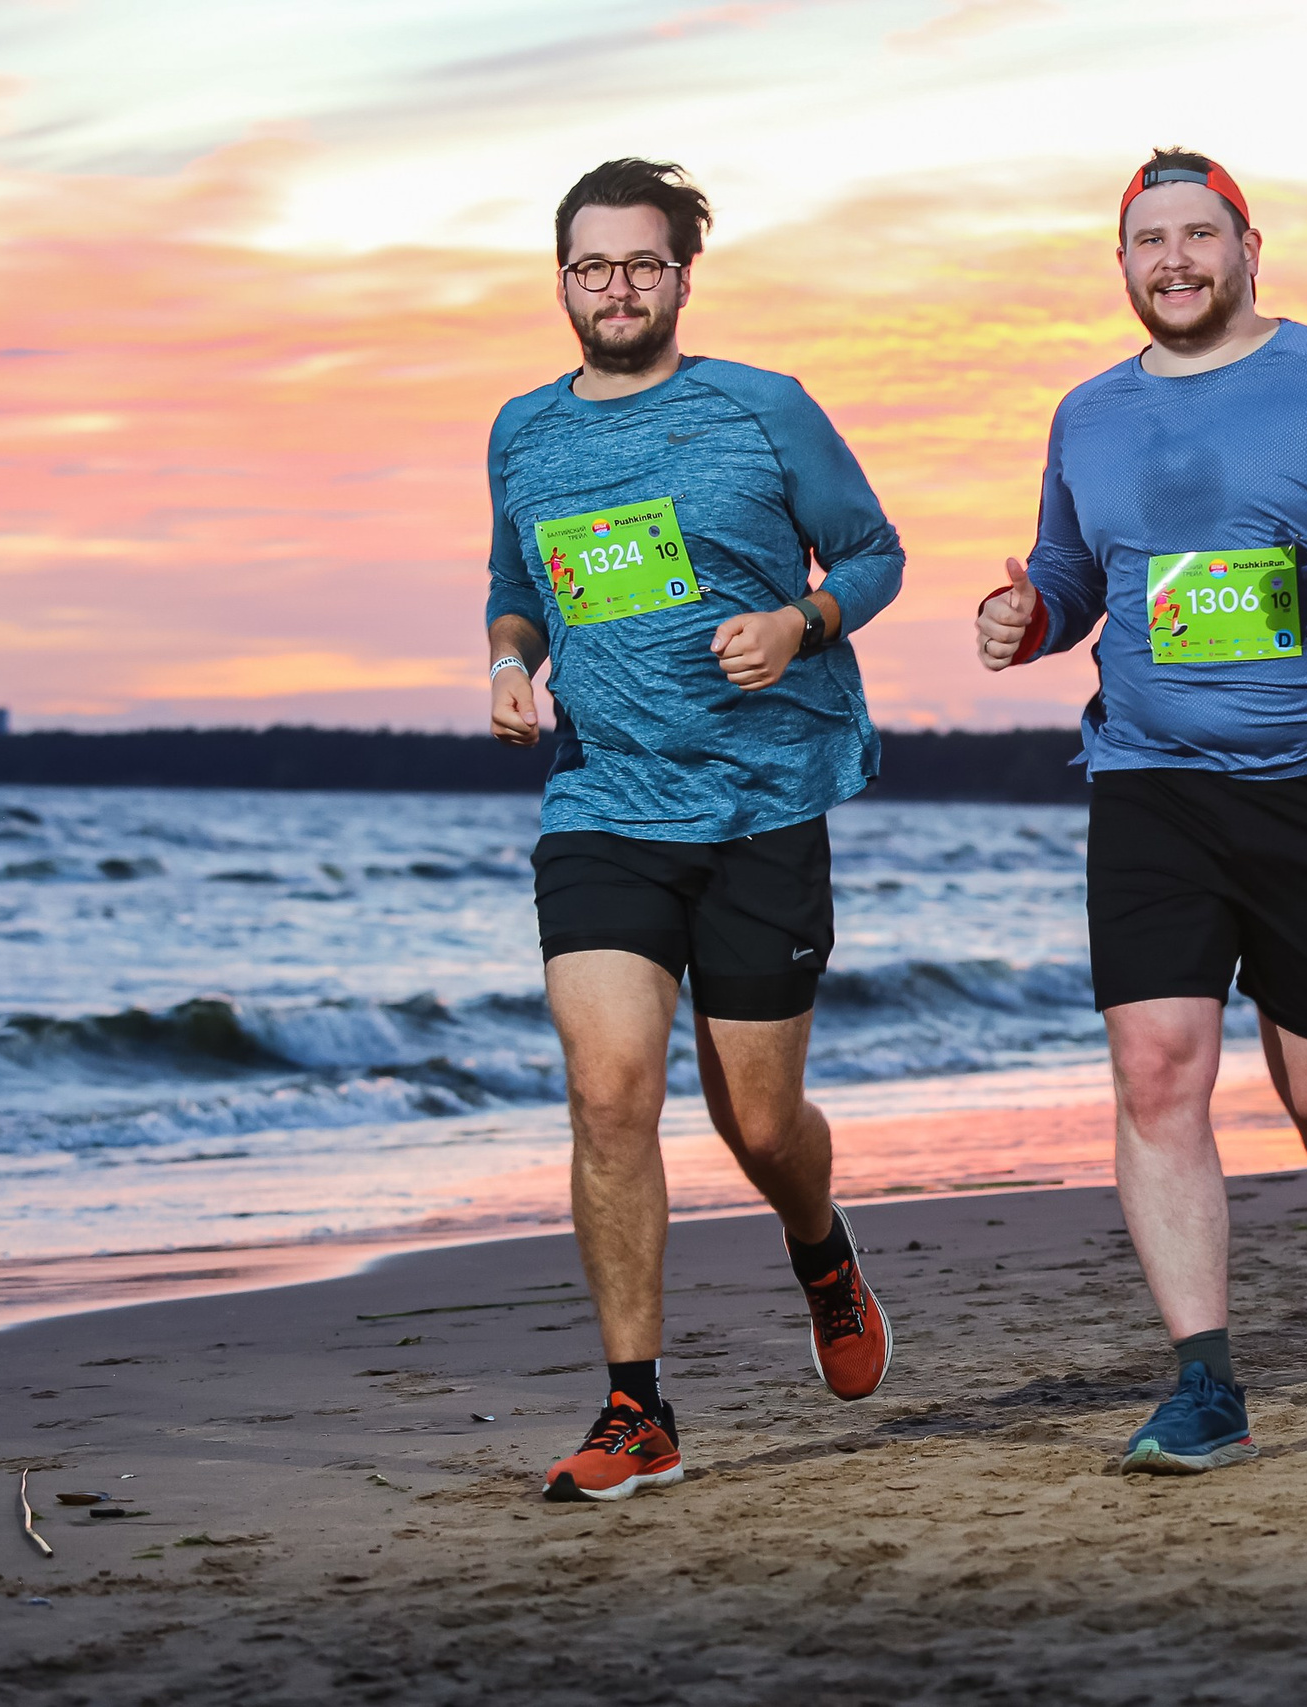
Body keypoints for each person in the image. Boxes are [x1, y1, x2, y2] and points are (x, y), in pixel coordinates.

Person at [973, 149, 1307, 1473]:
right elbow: (1070, 567)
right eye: (1149, 240)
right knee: (1158, 1069)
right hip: (1150, 777)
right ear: (1121, 263)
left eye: (1198, 235)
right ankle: (1205, 1379)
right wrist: (1031, 615)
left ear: (1248, 245)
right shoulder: (1087, 413)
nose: (1175, 261)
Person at [485, 159, 906, 1501]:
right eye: (593, 267)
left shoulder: (762, 408)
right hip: (604, 798)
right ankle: (636, 1406)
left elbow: (877, 553)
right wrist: (508, 659)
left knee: (761, 1118)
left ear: (681, 276)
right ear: (563, 280)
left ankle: (821, 1242)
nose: (617, 289)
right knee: (609, 1088)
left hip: (761, 802)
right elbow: (517, 583)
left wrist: (801, 622)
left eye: (643, 265)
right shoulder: (522, 432)